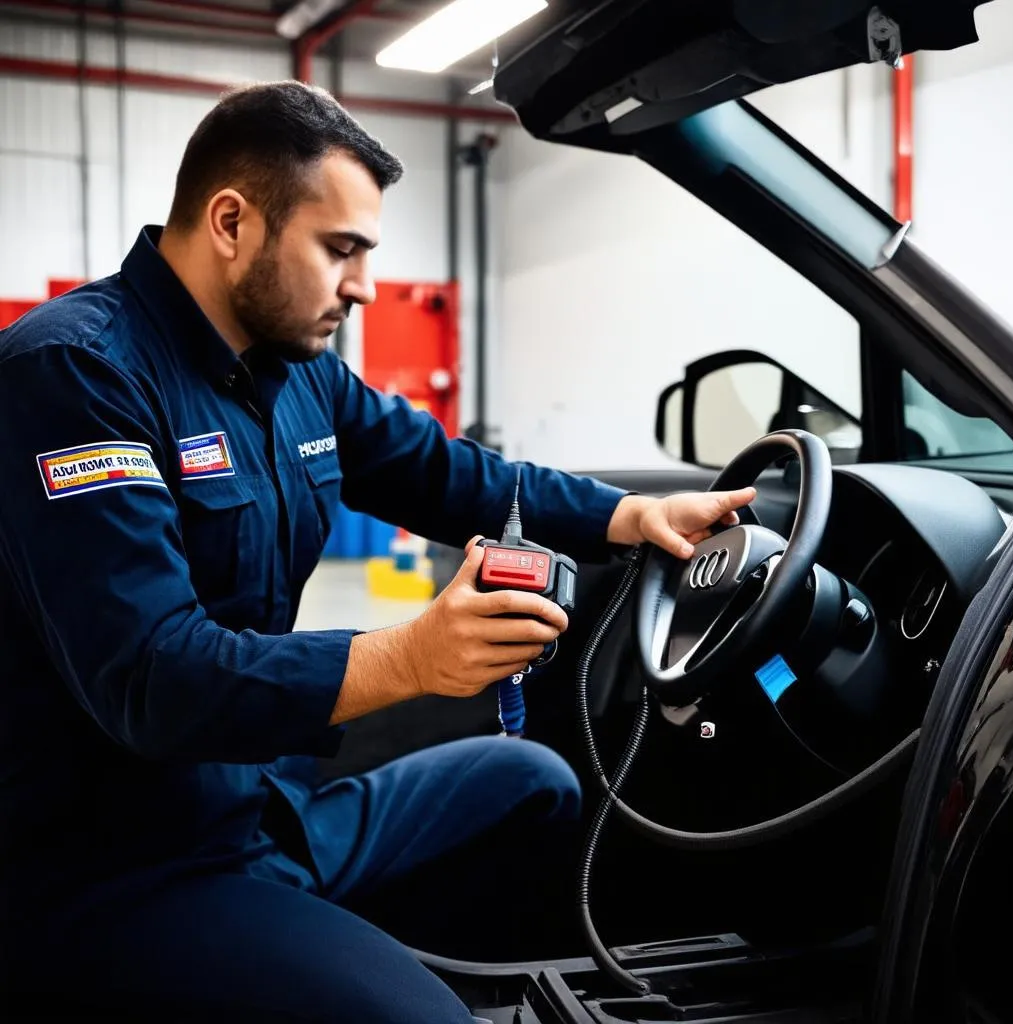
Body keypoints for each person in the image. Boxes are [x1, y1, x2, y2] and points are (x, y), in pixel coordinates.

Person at [0, 81, 755, 1022]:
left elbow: (445, 473)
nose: (361, 284)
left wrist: (628, 516)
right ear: (231, 221)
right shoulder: (77, 375)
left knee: (535, 783)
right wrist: (412, 656)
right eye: (340, 249)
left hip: (266, 809)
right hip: (119, 867)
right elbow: (153, 679)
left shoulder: (303, 372)